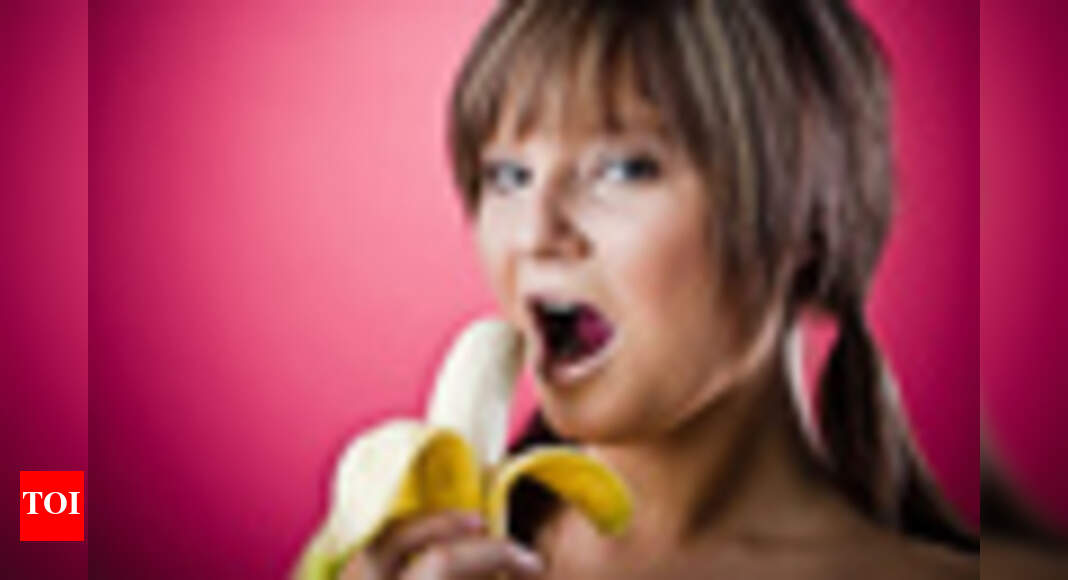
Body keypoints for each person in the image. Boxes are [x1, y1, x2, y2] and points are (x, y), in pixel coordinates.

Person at [341, 1, 978, 578]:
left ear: (802, 220)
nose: (535, 234)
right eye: (509, 175)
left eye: (624, 169)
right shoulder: (390, 561)